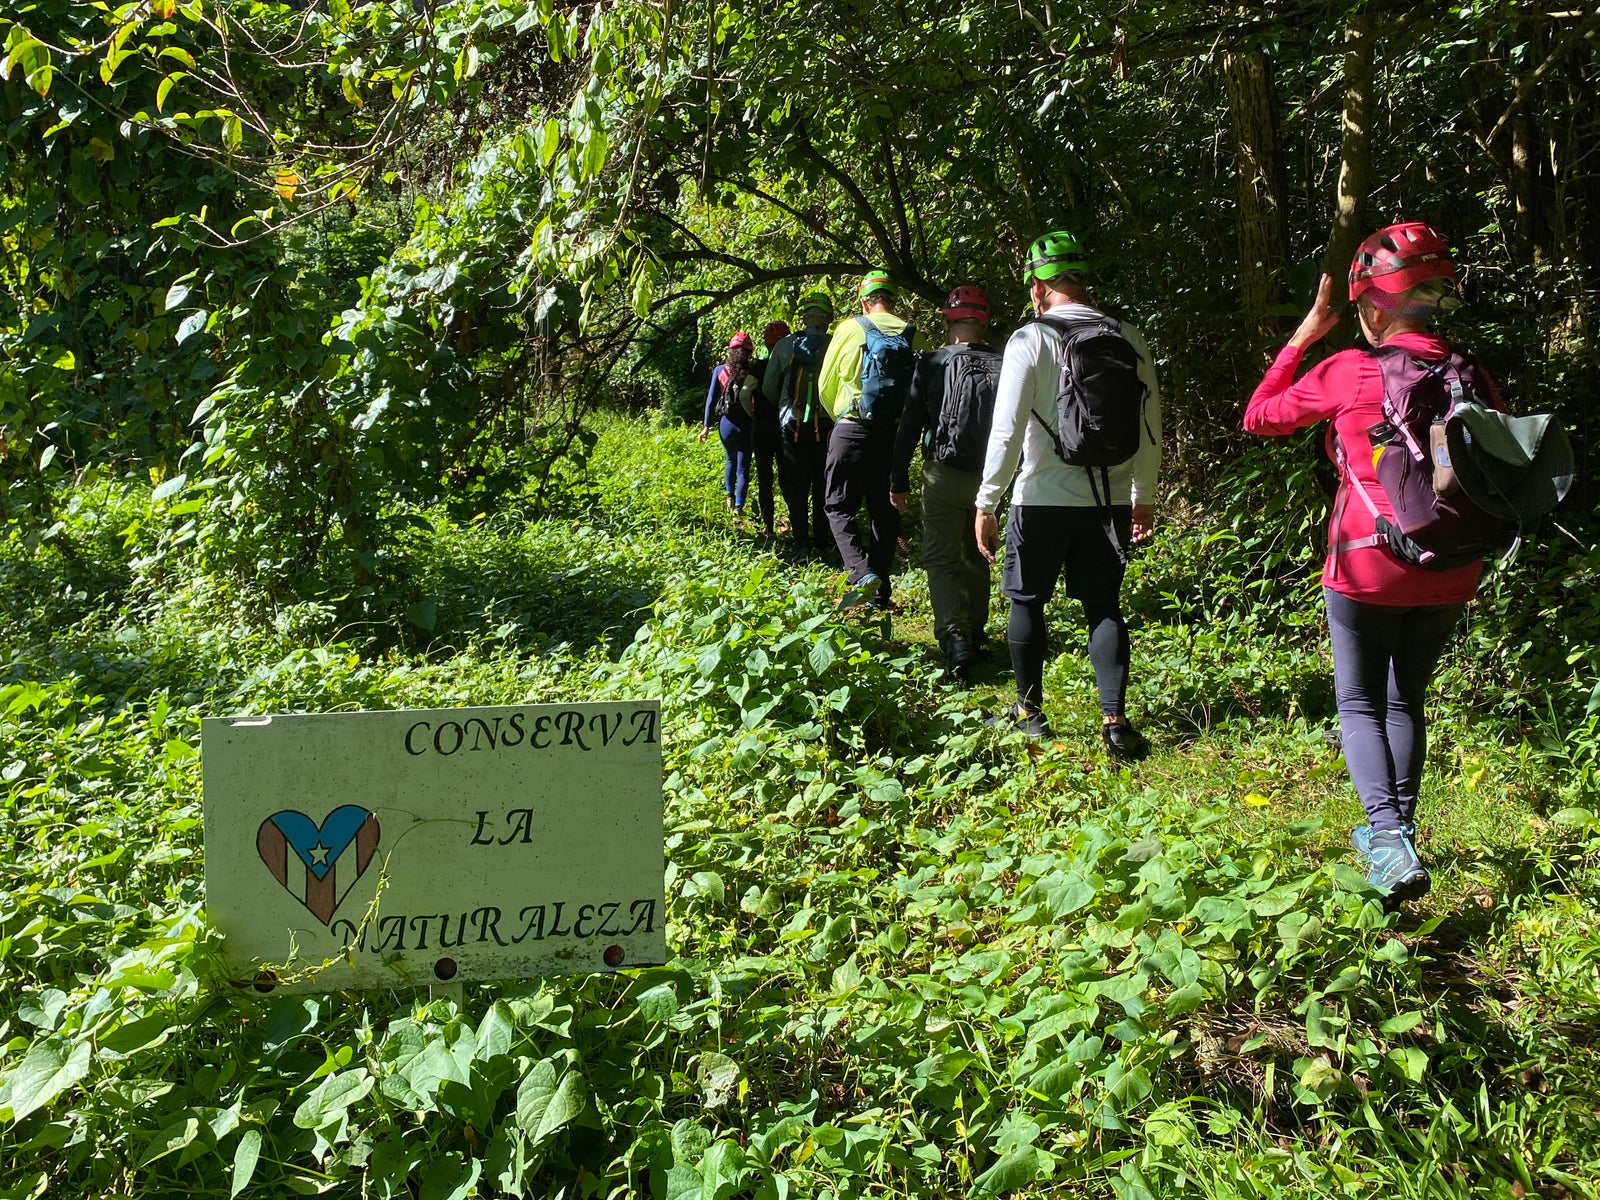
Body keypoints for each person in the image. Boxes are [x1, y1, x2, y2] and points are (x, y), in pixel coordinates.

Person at [1243, 221, 1492, 902]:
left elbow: (1258, 417)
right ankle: (1397, 839)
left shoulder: (1351, 368)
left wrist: (1304, 334)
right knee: (1404, 697)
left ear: (1375, 303)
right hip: (1453, 562)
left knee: (1358, 701)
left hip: (1366, 563)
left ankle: (1386, 837)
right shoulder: (1469, 371)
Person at [974, 231, 1162, 755]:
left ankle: (1029, 714)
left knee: (1027, 601)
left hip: (1039, 499)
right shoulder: (1129, 336)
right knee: (1104, 605)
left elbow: (1007, 429)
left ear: (1038, 286)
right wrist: (1142, 493)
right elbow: (1151, 426)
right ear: (1082, 280)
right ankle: (1115, 721)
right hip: (1108, 500)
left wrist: (987, 500)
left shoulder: (1029, 339)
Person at [890, 285, 1003, 677]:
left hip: (941, 472)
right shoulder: (1004, 362)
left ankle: (953, 638)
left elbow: (908, 426)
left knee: (940, 555)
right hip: (990, 477)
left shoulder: (932, 363)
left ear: (948, 321)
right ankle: (974, 632)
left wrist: (897, 478)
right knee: (977, 552)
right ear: (983, 322)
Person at [818, 270, 923, 610]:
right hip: (893, 434)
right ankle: (880, 590)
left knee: (837, 505)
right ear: (893, 299)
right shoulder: (910, 334)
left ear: (864, 300)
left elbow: (824, 385)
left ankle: (861, 573)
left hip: (852, 428)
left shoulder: (851, 328)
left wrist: (843, 418)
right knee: (886, 510)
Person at [764, 293, 835, 562]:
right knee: (823, 483)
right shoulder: (835, 344)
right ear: (828, 319)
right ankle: (822, 540)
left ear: (803, 318)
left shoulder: (785, 346)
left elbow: (769, 388)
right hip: (826, 425)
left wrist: (784, 407)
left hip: (792, 423)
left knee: (796, 486)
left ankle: (801, 545)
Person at [699, 332, 756, 517]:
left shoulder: (720, 371)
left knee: (730, 460)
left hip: (726, 424)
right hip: (746, 424)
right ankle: (739, 508)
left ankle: (730, 497)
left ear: (730, 351)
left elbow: (710, 400)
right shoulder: (752, 373)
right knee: (743, 466)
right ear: (749, 352)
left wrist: (706, 426)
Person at [750, 320, 791, 541]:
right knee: (789, 477)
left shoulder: (758, 366)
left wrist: (753, 415)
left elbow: (745, 394)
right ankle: (796, 522)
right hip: (787, 427)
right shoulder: (794, 364)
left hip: (762, 429)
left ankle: (768, 527)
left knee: (764, 479)